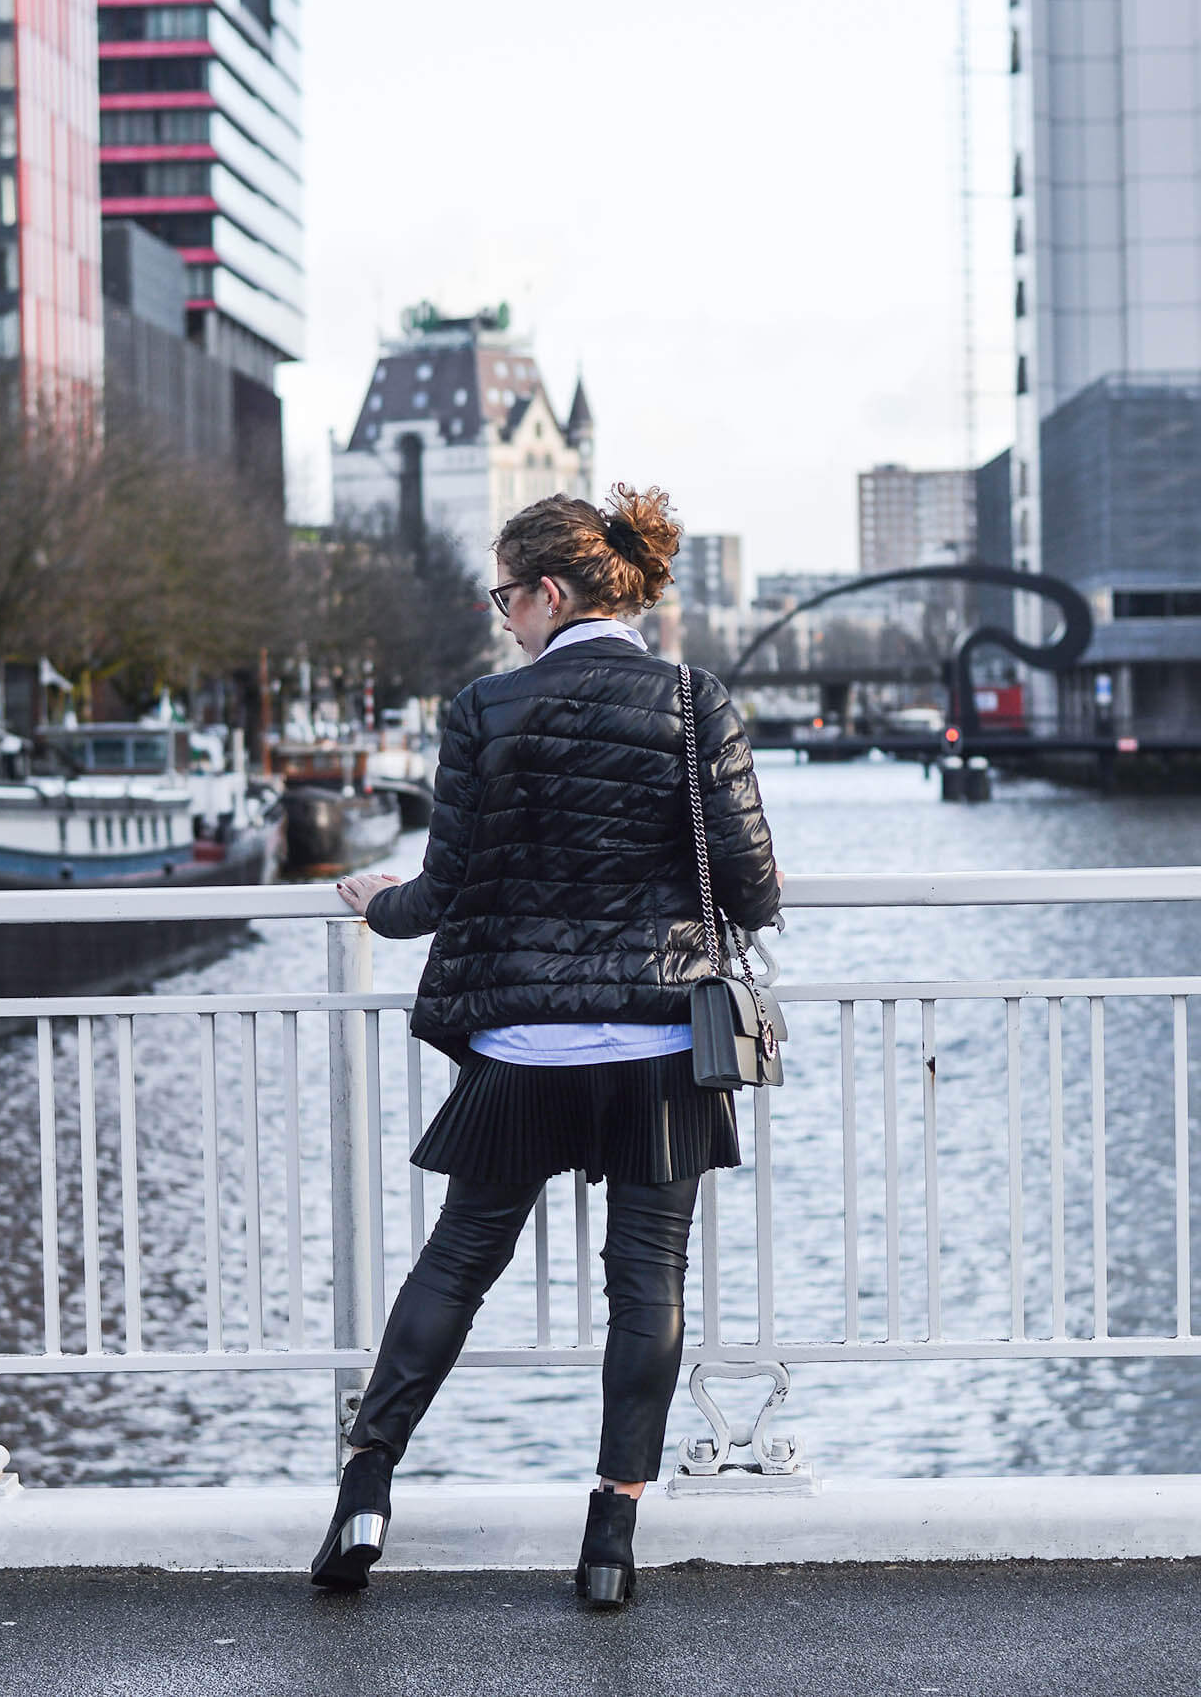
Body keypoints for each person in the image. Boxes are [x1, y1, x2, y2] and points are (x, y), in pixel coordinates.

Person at [311, 483, 780, 1606]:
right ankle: (612, 1537)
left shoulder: (483, 711)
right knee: (646, 1281)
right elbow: (755, 886)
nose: (501, 617)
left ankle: (365, 1495)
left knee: (457, 1263)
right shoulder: (692, 700)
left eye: (505, 596)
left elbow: (447, 887)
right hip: (663, 1043)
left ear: (552, 593)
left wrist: (377, 908)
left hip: (524, 1049)